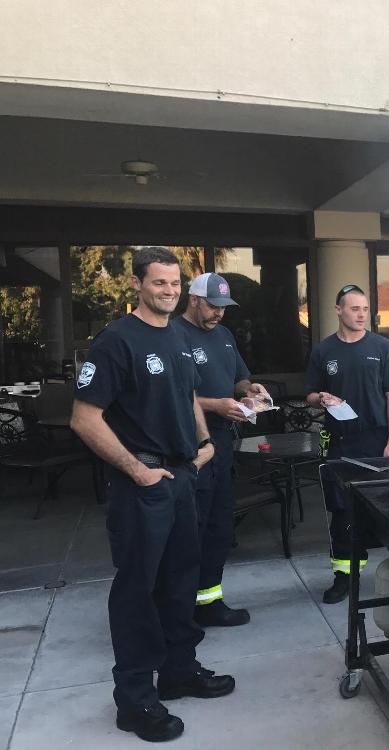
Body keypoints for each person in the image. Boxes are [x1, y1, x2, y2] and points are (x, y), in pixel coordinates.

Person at [71, 248, 235, 743]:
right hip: (143, 486)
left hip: (184, 477)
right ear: (137, 285)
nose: (168, 290)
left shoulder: (181, 338)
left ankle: (179, 670)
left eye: (174, 283)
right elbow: (84, 417)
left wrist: (204, 443)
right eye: (158, 283)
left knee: (182, 580)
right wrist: (136, 471)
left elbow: (187, 395)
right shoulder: (116, 342)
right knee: (138, 591)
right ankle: (135, 699)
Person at [173, 272, 271, 627]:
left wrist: (251, 390)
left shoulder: (225, 336)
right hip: (190, 448)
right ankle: (180, 609)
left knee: (218, 527)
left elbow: (239, 378)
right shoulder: (174, 336)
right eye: (213, 307)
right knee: (189, 530)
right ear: (194, 300)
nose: (219, 314)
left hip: (224, 446)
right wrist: (215, 405)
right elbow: (172, 394)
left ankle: (209, 601)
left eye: (224, 308)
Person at [305, 284, 389, 604]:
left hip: (377, 439)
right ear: (339, 310)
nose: (361, 314)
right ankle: (344, 576)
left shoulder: (383, 347)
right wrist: (319, 397)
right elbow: (309, 395)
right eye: (354, 309)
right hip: (340, 441)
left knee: (386, 506)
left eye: (364, 309)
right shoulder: (323, 351)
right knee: (342, 510)